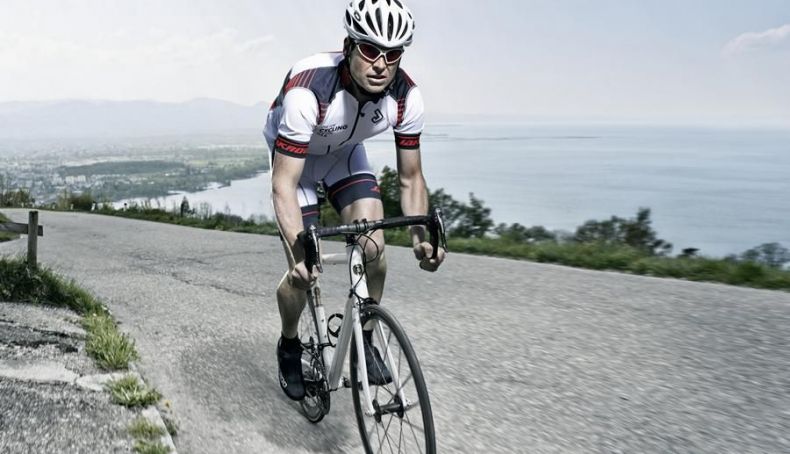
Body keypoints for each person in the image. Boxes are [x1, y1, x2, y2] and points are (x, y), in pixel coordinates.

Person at [263, 0, 446, 401]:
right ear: (348, 46)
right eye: (370, 50)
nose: (381, 64)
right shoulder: (309, 90)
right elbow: (283, 185)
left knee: (374, 247)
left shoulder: (406, 96)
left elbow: (411, 177)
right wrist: (297, 250)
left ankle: (365, 337)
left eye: (392, 54)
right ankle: (290, 343)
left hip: (344, 157)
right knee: (304, 270)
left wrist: (419, 237)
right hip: (295, 167)